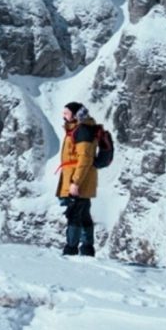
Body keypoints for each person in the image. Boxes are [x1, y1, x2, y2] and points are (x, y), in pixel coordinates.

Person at [57, 102, 98, 256]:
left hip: (79, 179)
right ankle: (87, 249)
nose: (63, 116)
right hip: (79, 178)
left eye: (66, 113)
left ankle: (71, 249)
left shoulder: (82, 131)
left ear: (75, 114)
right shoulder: (78, 129)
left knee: (74, 213)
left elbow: (85, 159)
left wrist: (76, 182)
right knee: (83, 213)